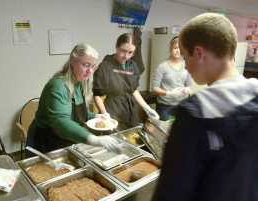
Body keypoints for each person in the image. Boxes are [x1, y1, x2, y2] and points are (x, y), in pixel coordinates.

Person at [152, 13, 258, 201]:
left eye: (186, 58)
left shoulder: (195, 113)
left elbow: (172, 192)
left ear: (199, 53)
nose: (186, 67)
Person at [26, 44, 120, 153]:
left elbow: (78, 115)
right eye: (86, 65)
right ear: (72, 62)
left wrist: (97, 116)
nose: (90, 71)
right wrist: (94, 139)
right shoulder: (58, 86)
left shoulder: (79, 83)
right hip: (45, 142)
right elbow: (61, 122)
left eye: (93, 66)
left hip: (63, 140)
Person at [93, 33, 159, 131]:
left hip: (130, 110)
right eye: (123, 51)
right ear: (116, 47)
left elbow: (133, 90)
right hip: (112, 110)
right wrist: (105, 114)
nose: (126, 56)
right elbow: (97, 95)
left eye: (130, 52)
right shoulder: (105, 66)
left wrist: (147, 108)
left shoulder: (132, 66)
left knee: (132, 136)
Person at [152, 36, 192, 121]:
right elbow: (155, 88)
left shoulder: (187, 65)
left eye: (180, 48)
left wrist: (187, 89)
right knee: (164, 130)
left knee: (180, 130)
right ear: (170, 49)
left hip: (182, 104)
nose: (178, 51)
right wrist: (168, 93)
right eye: (175, 48)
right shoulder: (162, 66)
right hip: (165, 106)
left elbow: (189, 85)